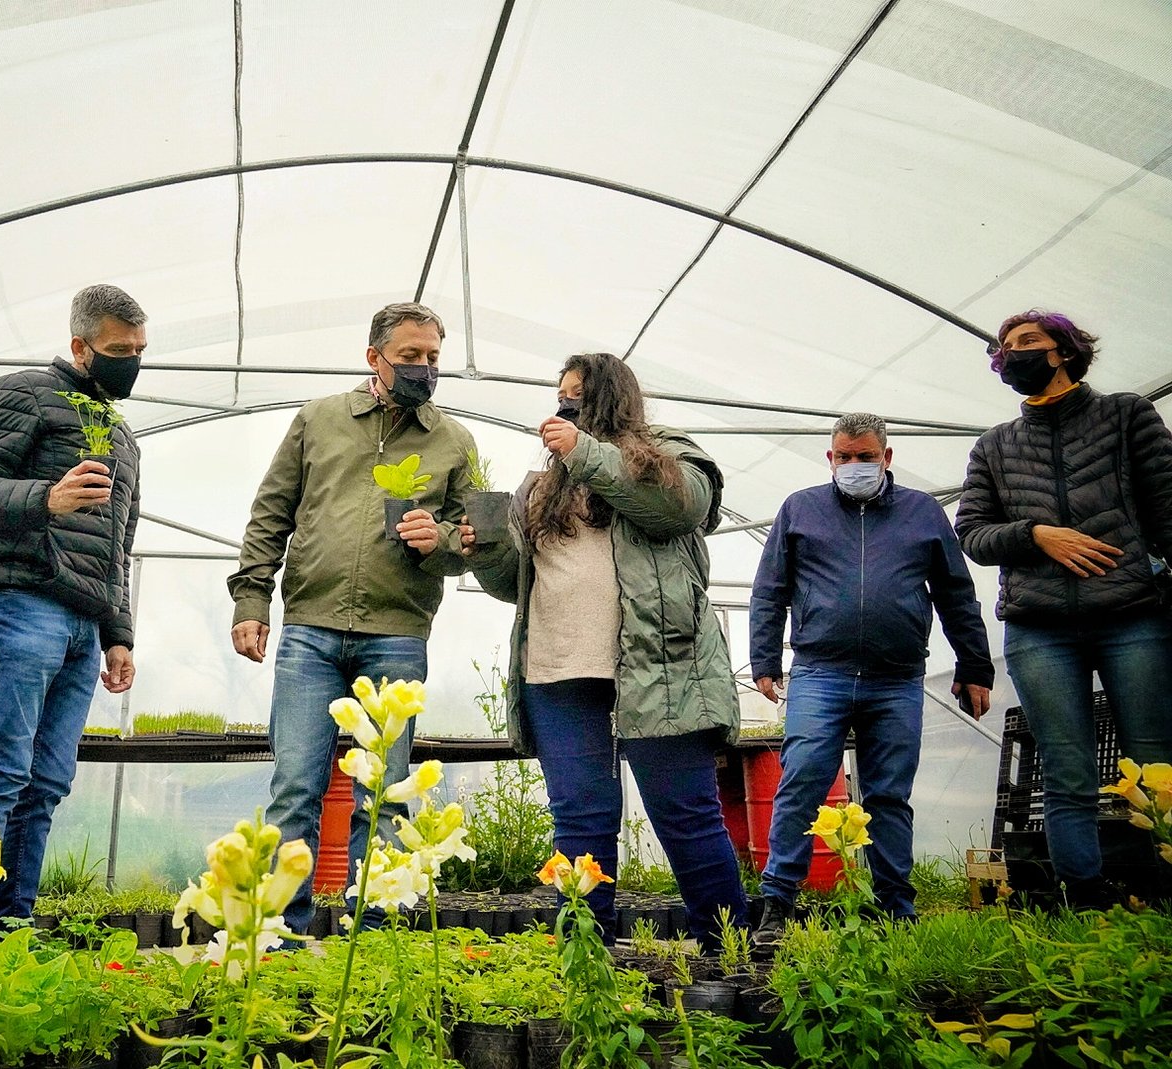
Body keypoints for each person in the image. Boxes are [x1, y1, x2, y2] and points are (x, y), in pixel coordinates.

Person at [463, 352, 747, 949]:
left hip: (659, 667)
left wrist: (585, 452)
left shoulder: (669, 454)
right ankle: (586, 958)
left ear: (611, 399)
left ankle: (730, 956)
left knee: (686, 815)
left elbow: (679, 509)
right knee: (581, 819)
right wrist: (484, 549)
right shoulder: (541, 487)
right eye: (559, 395)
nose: (563, 405)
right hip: (559, 669)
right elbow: (515, 578)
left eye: (577, 395)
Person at [229, 302, 475, 937]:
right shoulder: (319, 419)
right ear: (375, 359)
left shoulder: (453, 441)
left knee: (387, 796)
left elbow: (477, 538)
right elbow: (271, 511)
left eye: (433, 359)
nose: (423, 368)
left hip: (397, 634)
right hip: (310, 629)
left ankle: (378, 936)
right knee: (295, 789)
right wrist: (252, 599)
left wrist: (442, 539)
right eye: (410, 357)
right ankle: (280, 931)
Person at [748, 412, 994, 948]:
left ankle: (896, 908)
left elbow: (956, 593)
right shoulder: (800, 509)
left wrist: (975, 665)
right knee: (803, 782)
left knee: (889, 795)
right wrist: (764, 660)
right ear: (830, 458)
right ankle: (778, 904)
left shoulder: (922, 512)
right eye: (844, 456)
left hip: (897, 678)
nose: (854, 465)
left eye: (865, 457)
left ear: (887, 457)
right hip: (820, 673)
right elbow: (771, 588)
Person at [0, 284, 145, 931]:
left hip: (85, 627)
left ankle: (11, 927)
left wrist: (118, 633)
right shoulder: (23, 393)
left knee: (48, 781)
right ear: (80, 345)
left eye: (140, 350)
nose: (132, 362)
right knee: (3, 769)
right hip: (22, 600)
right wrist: (47, 498)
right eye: (119, 350)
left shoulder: (123, 438)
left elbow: (120, 546)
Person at [956, 310, 1172, 909]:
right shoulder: (995, 446)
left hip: (1132, 612)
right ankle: (1085, 897)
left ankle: (1161, 892)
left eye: (1028, 341)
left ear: (1064, 351)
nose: (1013, 352)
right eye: (1005, 347)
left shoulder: (1126, 415)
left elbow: (1167, 506)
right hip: (1039, 626)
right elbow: (971, 532)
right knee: (1066, 766)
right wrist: (1036, 535)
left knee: (1154, 763)